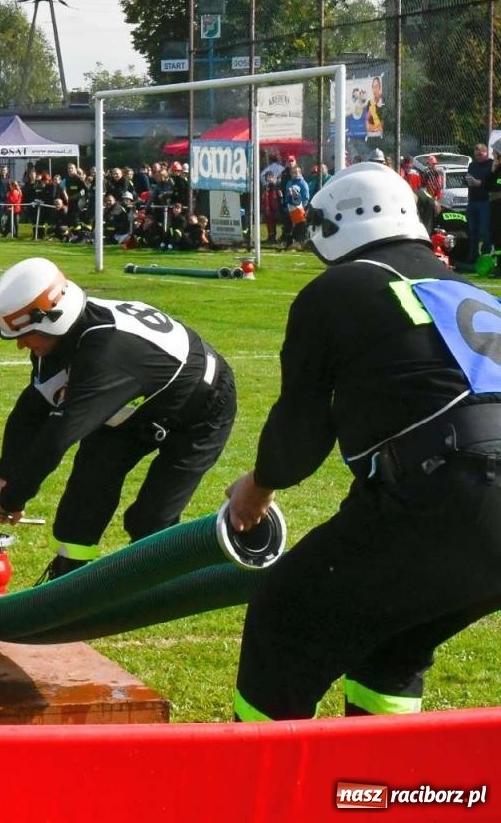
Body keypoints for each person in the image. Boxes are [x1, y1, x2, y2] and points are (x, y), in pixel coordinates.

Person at [225, 161, 501, 722]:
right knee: (393, 642)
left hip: (447, 488)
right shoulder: (465, 286)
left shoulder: (339, 288)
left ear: (335, 224)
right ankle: (379, 786)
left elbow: (301, 427)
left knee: (285, 619)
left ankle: (256, 789)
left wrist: (259, 485)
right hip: (472, 493)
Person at [0, 256, 237, 581]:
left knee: (150, 520)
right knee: (86, 490)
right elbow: (30, 412)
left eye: (25, 335)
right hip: (141, 403)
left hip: (203, 406)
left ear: (50, 319)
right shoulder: (64, 338)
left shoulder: (106, 353)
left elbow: (58, 437)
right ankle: (67, 577)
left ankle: (162, 589)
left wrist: (13, 499)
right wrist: (4, 479)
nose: (21, 346)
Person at [465, 142, 492, 263]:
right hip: (472, 201)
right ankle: (473, 256)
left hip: (485, 201)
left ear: (486, 153)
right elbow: (468, 177)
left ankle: (486, 255)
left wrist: (479, 183)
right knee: (472, 230)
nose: (478, 157)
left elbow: (493, 182)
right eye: (476, 155)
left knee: (484, 230)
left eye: (480, 155)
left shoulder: (491, 165)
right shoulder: (472, 165)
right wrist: (468, 181)